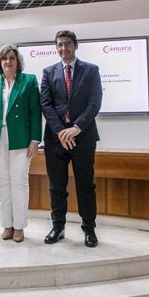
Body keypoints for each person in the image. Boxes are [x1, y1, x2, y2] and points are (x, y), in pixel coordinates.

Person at [40, 30, 103, 248]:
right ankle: (58, 227)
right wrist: (60, 131)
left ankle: (89, 229)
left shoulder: (91, 70)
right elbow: (45, 104)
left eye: (67, 44)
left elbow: (95, 103)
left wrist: (76, 127)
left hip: (83, 137)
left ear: (75, 45)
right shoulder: (48, 72)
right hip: (56, 139)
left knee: (86, 185)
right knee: (57, 186)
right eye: (59, 45)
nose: (63, 48)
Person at [0, 44, 41, 243]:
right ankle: (7, 225)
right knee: (2, 182)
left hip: (21, 138)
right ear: (0, 62)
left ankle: (19, 227)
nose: (8, 61)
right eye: (5, 58)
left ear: (18, 62)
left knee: (19, 183)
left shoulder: (29, 81)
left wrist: (35, 139)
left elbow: (35, 112)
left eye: (12, 58)